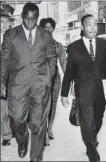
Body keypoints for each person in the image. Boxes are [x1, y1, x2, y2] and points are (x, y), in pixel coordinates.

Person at [0, 3, 56, 161]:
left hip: (39, 85)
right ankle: (22, 139)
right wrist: (2, 82)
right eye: (27, 19)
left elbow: (51, 58)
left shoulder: (46, 35)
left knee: (38, 124)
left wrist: (48, 77)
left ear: (37, 18)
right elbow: (4, 61)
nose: (30, 23)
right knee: (17, 119)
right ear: (21, 17)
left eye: (33, 20)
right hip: (17, 85)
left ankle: (36, 158)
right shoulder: (11, 34)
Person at [61, 14, 106, 161]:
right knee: (87, 122)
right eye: (88, 24)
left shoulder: (105, 44)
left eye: (94, 24)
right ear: (82, 27)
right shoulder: (73, 47)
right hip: (82, 90)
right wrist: (64, 94)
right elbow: (69, 72)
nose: (92, 27)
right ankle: (92, 150)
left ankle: (89, 140)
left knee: (98, 118)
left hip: (100, 90)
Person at [39, 17, 66, 145]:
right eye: (45, 27)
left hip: (55, 79)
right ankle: (43, 132)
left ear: (53, 29)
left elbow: (64, 64)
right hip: (40, 80)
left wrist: (70, 80)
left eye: (50, 27)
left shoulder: (58, 46)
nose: (48, 29)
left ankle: (49, 129)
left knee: (53, 105)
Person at [0, 4, 15, 146]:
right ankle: (6, 134)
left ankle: (10, 131)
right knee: (2, 109)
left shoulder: (12, 39)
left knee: (10, 109)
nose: (5, 25)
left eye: (7, 22)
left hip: (10, 79)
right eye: (2, 21)